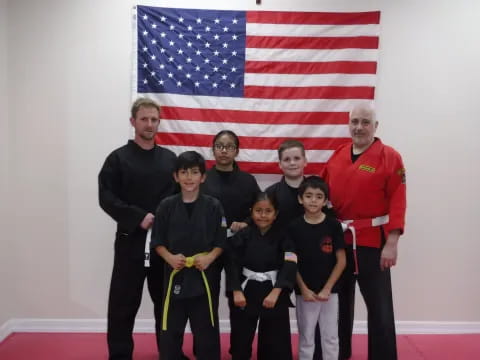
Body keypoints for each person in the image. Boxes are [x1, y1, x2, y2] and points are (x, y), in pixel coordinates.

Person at [322, 104, 407, 360]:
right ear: (349, 124)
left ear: (376, 126)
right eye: (355, 121)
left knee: (379, 306)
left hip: (373, 242)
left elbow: (398, 200)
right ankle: (338, 353)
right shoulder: (337, 155)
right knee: (339, 305)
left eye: (365, 122)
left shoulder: (390, 157)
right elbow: (320, 194)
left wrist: (392, 242)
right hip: (339, 241)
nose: (359, 127)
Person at [98, 97, 177, 360]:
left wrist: (163, 220)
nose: (149, 124)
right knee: (122, 304)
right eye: (144, 119)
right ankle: (120, 355)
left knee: (166, 304)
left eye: (154, 119)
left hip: (163, 245)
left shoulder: (169, 160)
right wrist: (137, 216)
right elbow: (106, 197)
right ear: (133, 122)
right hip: (130, 240)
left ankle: (169, 352)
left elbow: (179, 198)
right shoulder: (118, 159)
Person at [151, 151, 226, 360]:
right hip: (176, 273)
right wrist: (170, 258)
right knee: (171, 330)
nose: (189, 177)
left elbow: (221, 241)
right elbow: (157, 241)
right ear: (176, 176)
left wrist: (210, 257)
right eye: (184, 172)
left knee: (206, 329)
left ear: (203, 177)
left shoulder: (214, 206)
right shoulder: (166, 206)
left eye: (194, 172)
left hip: (204, 276)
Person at [200, 130, 260, 354]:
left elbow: (260, 209)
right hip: (209, 248)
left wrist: (245, 222)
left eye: (229, 146)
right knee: (208, 297)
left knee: (238, 298)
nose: (224, 150)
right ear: (213, 149)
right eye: (219, 146)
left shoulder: (247, 180)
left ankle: (240, 348)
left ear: (237, 150)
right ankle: (207, 349)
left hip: (239, 248)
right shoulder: (203, 179)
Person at [265, 139, 324, 360]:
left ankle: (316, 354)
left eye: (296, 158)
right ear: (279, 164)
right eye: (287, 159)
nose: (292, 163)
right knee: (276, 312)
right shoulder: (271, 193)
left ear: (305, 161)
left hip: (313, 262)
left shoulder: (316, 191)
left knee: (314, 312)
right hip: (279, 262)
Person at [225, 192, 297, 360]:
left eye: (268, 211)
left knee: (275, 343)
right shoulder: (242, 236)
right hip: (246, 290)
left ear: (276, 213)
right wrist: (236, 290)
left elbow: (290, 264)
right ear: (251, 212)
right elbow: (232, 264)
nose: (263, 215)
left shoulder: (284, 236)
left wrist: (277, 291)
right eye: (258, 210)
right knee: (240, 339)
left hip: (273, 290)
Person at [288, 176, 346, 360]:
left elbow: (342, 261)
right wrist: (303, 289)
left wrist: (328, 288)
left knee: (330, 336)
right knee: (306, 337)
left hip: (330, 292)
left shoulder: (333, 225)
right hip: (305, 292)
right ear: (300, 199)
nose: (313, 200)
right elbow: (291, 261)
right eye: (309, 196)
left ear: (326, 201)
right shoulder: (293, 227)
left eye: (319, 196)